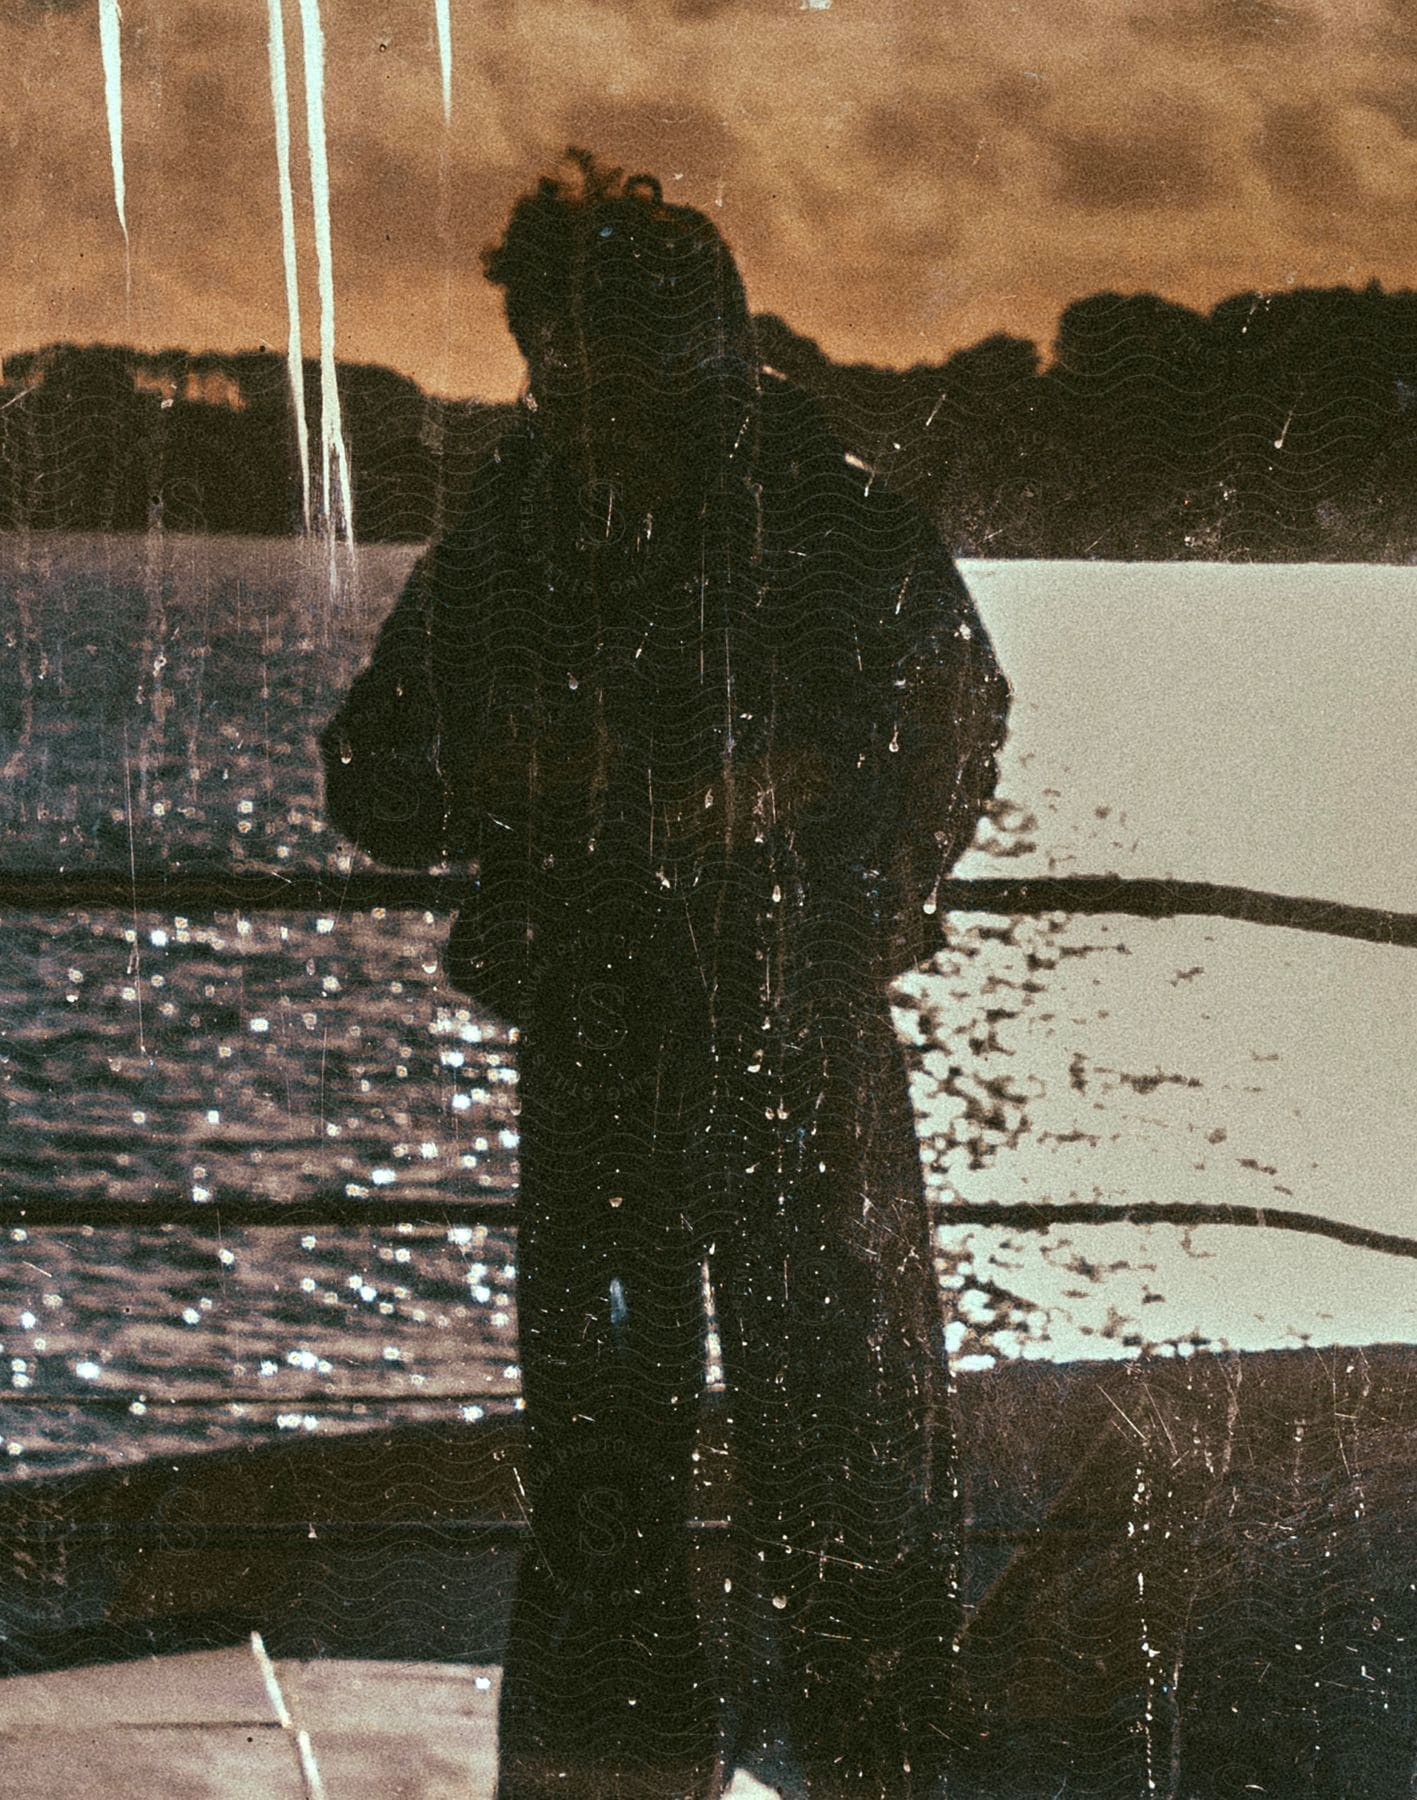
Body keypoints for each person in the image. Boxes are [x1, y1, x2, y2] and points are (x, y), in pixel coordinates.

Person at [321, 149, 1010, 1799]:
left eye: (598, 363)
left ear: (702, 347)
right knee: (623, 1485)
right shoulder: (532, 527)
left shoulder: (834, 522)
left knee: (821, 1477)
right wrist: (558, 772)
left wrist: (800, 818)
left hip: (778, 1050)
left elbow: (945, 736)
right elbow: (377, 777)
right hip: (634, 1054)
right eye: (554, 368)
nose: (573, 402)